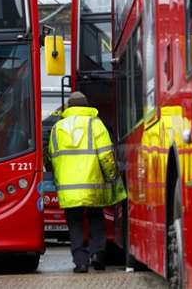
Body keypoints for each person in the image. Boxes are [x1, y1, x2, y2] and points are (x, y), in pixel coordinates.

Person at [48, 91, 127, 273]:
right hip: (93, 184)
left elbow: (51, 157)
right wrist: (112, 176)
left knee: (74, 224)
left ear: (69, 107)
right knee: (95, 218)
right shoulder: (95, 124)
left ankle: (80, 262)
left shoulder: (57, 128)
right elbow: (106, 155)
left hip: (69, 189)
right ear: (86, 106)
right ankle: (98, 254)